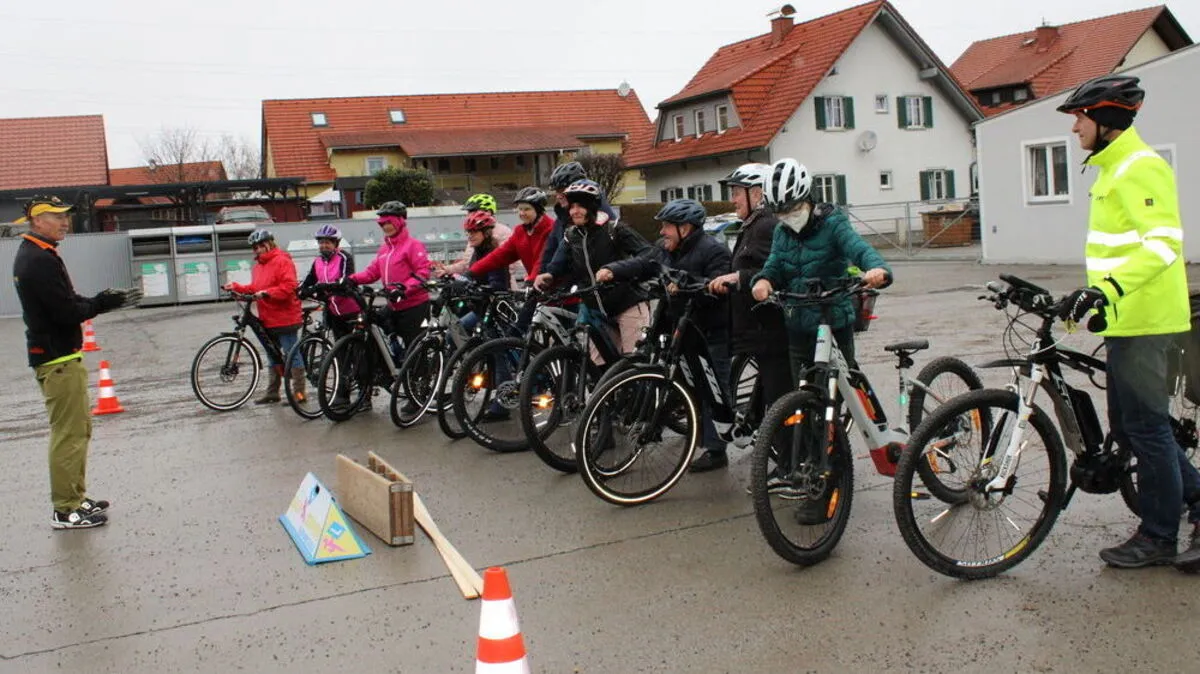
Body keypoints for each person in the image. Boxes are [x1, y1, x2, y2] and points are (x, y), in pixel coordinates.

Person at [1053, 74, 1200, 570]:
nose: (1074, 128)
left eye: (1080, 117)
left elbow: (1163, 245)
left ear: (1107, 120)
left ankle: (1158, 536)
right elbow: (1118, 250)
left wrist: (1107, 290)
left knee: (1146, 428)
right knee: (1131, 427)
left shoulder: (1140, 166)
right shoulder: (1112, 168)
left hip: (1147, 320)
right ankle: (1196, 500)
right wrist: (1093, 299)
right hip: (1126, 318)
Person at [13, 195, 140, 529]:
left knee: (78, 430)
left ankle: (75, 496)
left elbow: (65, 300)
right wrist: (101, 304)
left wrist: (98, 301)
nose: (65, 222)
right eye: (57, 217)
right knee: (68, 435)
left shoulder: (40, 254)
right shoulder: (38, 260)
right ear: (37, 221)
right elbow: (65, 311)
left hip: (60, 355)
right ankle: (65, 509)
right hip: (57, 358)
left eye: (66, 216)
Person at [599, 199, 735, 472]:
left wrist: (687, 284)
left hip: (710, 332)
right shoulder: (665, 248)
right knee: (682, 383)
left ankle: (716, 449)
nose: (662, 232)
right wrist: (613, 270)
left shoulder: (713, 251)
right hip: (680, 329)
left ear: (685, 228)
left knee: (712, 390)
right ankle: (666, 422)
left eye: (667, 227)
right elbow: (643, 263)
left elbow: (718, 286)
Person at [751, 158, 891, 382]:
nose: (788, 217)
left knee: (840, 387)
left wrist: (876, 268)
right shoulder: (781, 232)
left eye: (793, 209)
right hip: (798, 324)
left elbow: (858, 249)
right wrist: (763, 280)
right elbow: (774, 264)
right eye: (781, 214)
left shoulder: (833, 224)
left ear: (808, 199)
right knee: (803, 390)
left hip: (833, 321)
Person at [707, 163, 792, 441]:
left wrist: (739, 278)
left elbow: (774, 271)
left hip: (767, 327)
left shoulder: (766, 226)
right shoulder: (753, 225)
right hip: (755, 328)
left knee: (778, 397)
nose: (732, 199)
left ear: (757, 194)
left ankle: (787, 452)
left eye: (736, 192)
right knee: (767, 387)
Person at [534, 179, 652, 355]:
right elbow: (558, 264)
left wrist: (614, 270)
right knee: (595, 366)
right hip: (595, 311)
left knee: (634, 363)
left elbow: (649, 255)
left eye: (580, 206)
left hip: (627, 304)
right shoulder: (571, 235)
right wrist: (548, 275)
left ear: (592, 207)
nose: (574, 211)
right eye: (572, 207)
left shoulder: (614, 229)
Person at [223, 229, 303, 404]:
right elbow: (254, 288)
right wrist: (236, 287)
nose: (258, 249)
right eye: (255, 247)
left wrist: (267, 293)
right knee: (272, 354)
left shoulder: (282, 261)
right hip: (268, 318)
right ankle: (273, 392)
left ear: (269, 243)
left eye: (261, 245)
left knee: (292, 354)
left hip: (285, 317)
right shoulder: (258, 266)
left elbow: (289, 287)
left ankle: (299, 394)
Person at [348, 200, 432, 353]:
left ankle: (419, 368)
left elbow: (423, 272)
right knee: (374, 323)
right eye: (382, 224)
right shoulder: (384, 249)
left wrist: (403, 289)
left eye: (389, 222)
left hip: (414, 306)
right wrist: (351, 279)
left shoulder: (413, 245)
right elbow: (372, 273)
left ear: (400, 222)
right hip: (393, 305)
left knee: (415, 351)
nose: (386, 227)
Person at [539, 162, 619, 278]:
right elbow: (550, 251)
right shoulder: (560, 220)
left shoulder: (602, 216)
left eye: (562, 190)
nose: (558, 196)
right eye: (556, 191)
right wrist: (542, 275)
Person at [435, 192, 521, 286]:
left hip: (498, 287)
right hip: (475, 285)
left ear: (488, 212)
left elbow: (508, 264)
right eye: (468, 212)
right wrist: (447, 269)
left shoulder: (503, 232)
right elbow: (467, 264)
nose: (468, 215)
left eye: (472, 211)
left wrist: (483, 278)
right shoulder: (474, 234)